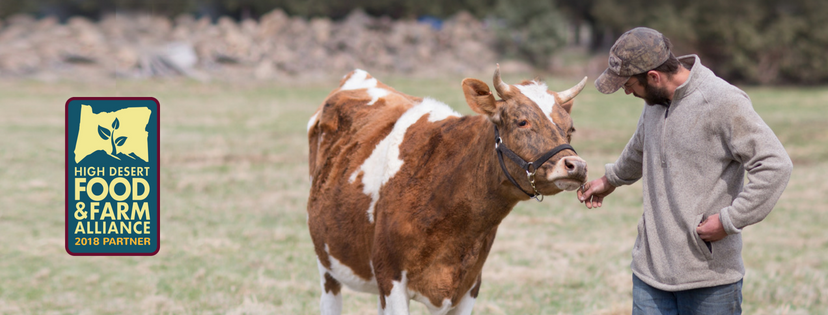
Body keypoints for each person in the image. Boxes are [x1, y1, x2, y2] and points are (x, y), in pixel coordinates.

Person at [578, 27, 793, 314]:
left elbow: (775, 165)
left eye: (628, 84)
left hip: (710, 279)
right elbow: (640, 147)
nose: (626, 91)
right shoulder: (654, 102)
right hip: (650, 274)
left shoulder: (723, 101)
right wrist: (610, 179)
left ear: (653, 76)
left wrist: (730, 220)